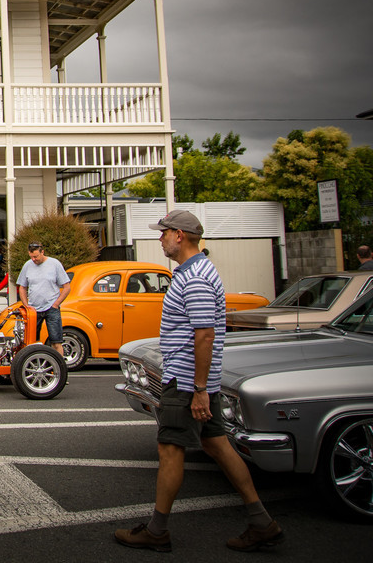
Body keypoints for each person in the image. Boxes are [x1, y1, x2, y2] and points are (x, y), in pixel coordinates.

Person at [114, 210, 283, 553]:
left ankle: (157, 530)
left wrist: (200, 390)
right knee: (216, 443)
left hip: (188, 381)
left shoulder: (196, 279)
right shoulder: (191, 272)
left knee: (170, 448)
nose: (159, 238)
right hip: (193, 379)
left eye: (163, 233)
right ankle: (261, 521)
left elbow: (204, 335)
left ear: (179, 235)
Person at [15, 242, 70, 357]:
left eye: (36, 257)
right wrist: (26, 306)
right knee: (31, 342)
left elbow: (66, 287)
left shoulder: (54, 264)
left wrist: (56, 304)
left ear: (42, 252)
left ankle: (59, 366)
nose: (34, 259)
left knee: (56, 341)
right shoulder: (28, 265)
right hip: (33, 309)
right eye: (31, 257)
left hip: (51, 308)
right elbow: (22, 287)